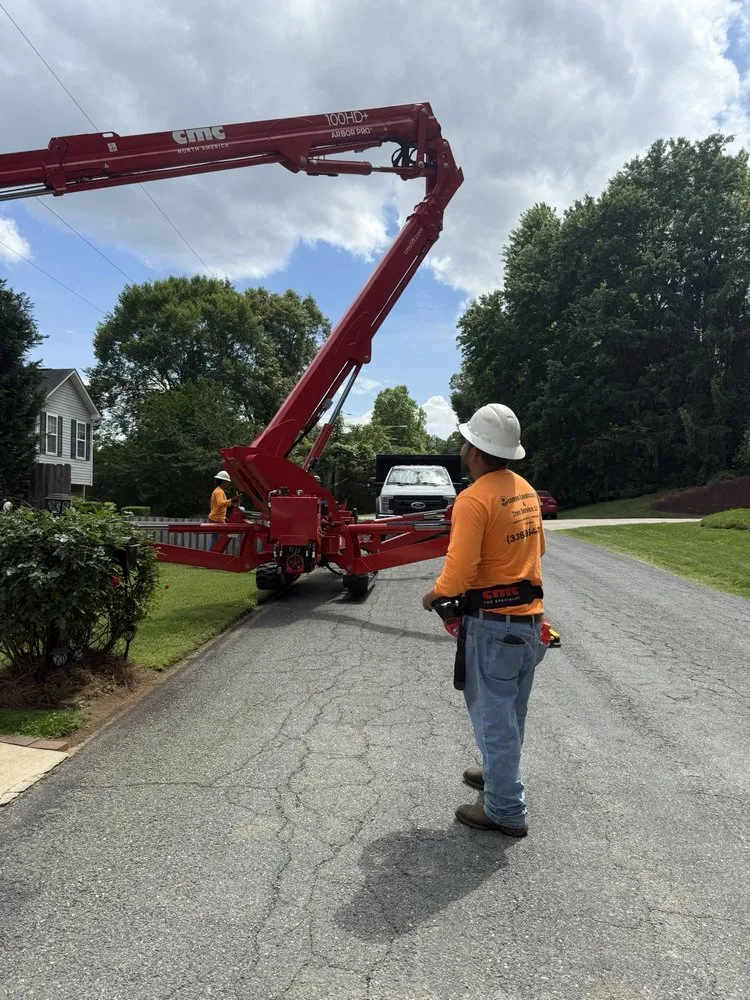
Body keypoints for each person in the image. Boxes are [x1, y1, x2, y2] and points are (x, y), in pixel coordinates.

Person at [422, 403, 547, 836]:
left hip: (493, 627)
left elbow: (456, 574)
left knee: (494, 717)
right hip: (528, 622)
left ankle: (505, 809)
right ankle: (497, 775)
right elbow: (538, 553)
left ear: (474, 449)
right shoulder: (526, 491)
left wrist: (434, 593)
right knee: (511, 712)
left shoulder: (473, 499)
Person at [208, 470, 239, 547]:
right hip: (216, 520)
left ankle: (213, 555)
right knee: (216, 540)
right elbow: (220, 503)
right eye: (227, 482)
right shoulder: (219, 492)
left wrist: (224, 517)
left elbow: (218, 507)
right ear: (223, 482)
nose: (228, 484)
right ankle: (213, 555)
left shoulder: (219, 491)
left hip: (216, 518)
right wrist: (232, 500)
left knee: (216, 539)